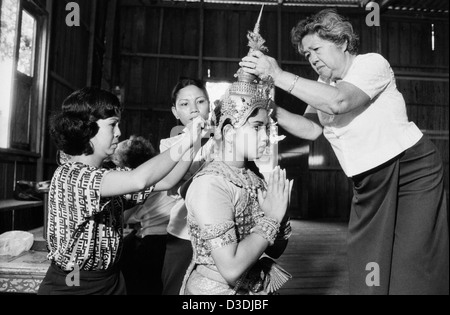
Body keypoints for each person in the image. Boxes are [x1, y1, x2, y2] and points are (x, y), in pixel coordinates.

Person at [240, 9, 449, 295]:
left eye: (316, 48)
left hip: (412, 169)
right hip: (370, 180)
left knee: (413, 257)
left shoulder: (370, 64)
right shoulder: (323, 87)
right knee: (369, 255)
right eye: (306, 54)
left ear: (342, 41)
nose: (312, 58)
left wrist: (277, 74)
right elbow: (311, 129)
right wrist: (270, 108)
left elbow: (340, 102)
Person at [38, 87, 204, 295]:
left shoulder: (109, 173)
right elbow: (139, 179)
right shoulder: (73, 176)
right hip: (76, 283)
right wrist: (187, 139)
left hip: (111, 280)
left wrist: (195, 140)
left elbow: (167, 180)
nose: (118, 132)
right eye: (112, 125)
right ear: (87, 127)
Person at [179, 69, 293, 295]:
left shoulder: (253, 178)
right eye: (257, 127)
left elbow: (275, 250)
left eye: (268, 128)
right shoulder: (210, 184)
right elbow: (231, 269)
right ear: (229, 132)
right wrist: (271, 218)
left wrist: (282, 215)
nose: (266, 137)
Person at [161, 77, 215, 295]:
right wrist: (194, 138)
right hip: (182, 233)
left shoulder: (226, 138)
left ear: (209, 105)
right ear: (175, 111)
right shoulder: (169, 144)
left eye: (200, 101)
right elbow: (172, 184)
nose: (194, 109)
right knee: (174, 290)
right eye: (184, 104)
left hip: (220, 233)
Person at [109, 135, 173, 295]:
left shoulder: (140, 182)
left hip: (153, 240)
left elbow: (124, 217)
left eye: (117, 159)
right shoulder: (159, 172)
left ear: (126, 165)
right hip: (170, 237)